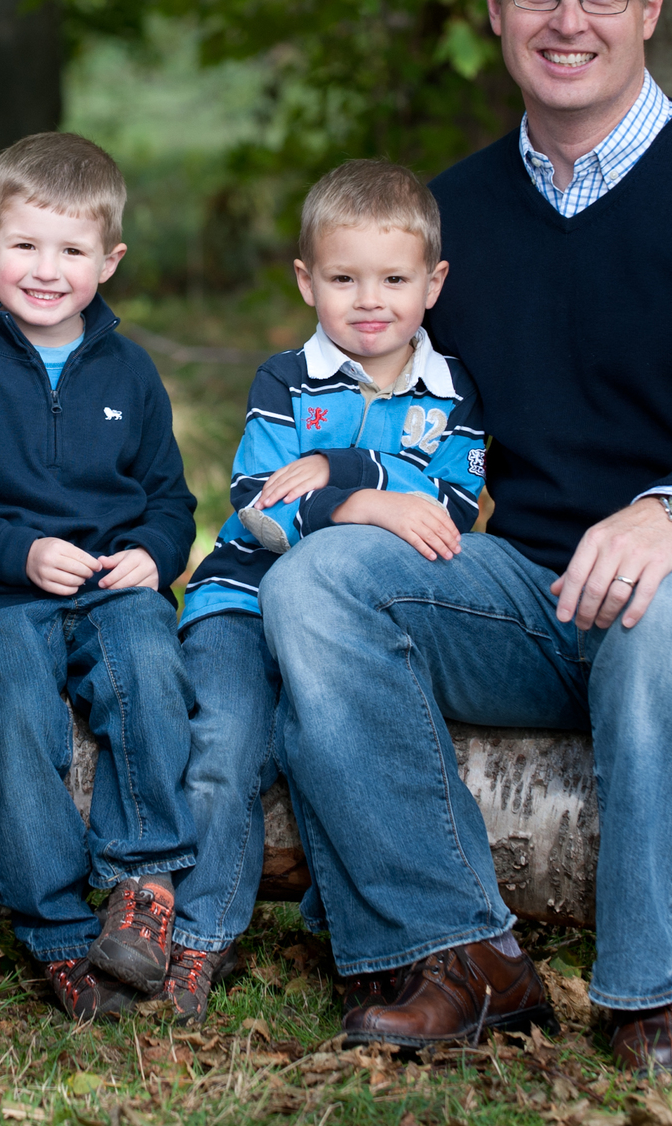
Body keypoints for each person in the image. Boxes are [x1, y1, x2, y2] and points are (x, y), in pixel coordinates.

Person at [264, 0, 672, 1072]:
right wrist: (347, 495)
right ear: (493, 2)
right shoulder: (454, 217)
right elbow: (381, 401)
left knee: (663, 592)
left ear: (651, 5)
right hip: (537, 594)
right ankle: (462, 955)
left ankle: (645, 993)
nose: (565, 19)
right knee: (317, 584)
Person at [168, 159, 488, 1024]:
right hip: (241, 602)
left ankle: (361, 941)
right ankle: (199, 939)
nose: (368, 299)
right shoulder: (288, 380)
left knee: (330, 742)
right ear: (308, 281)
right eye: (343, 278)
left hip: (352, 626)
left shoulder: (452, 396)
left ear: (434, 284)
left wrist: (345, 475)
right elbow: (256, 507)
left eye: (393, 278)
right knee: (225, 745)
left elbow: (450, 508)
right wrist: (371, 502)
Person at [0, 133, 200, 1022]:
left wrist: (156, 551)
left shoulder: (131, 373)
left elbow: (169, 498)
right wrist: (17, 553)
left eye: (71, 251)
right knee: (16, 718)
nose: (45, 269)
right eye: (24, 246)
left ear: (109, 261)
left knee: (149, 665)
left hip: (111, 586)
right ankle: (59, 931)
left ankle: (143, 883)